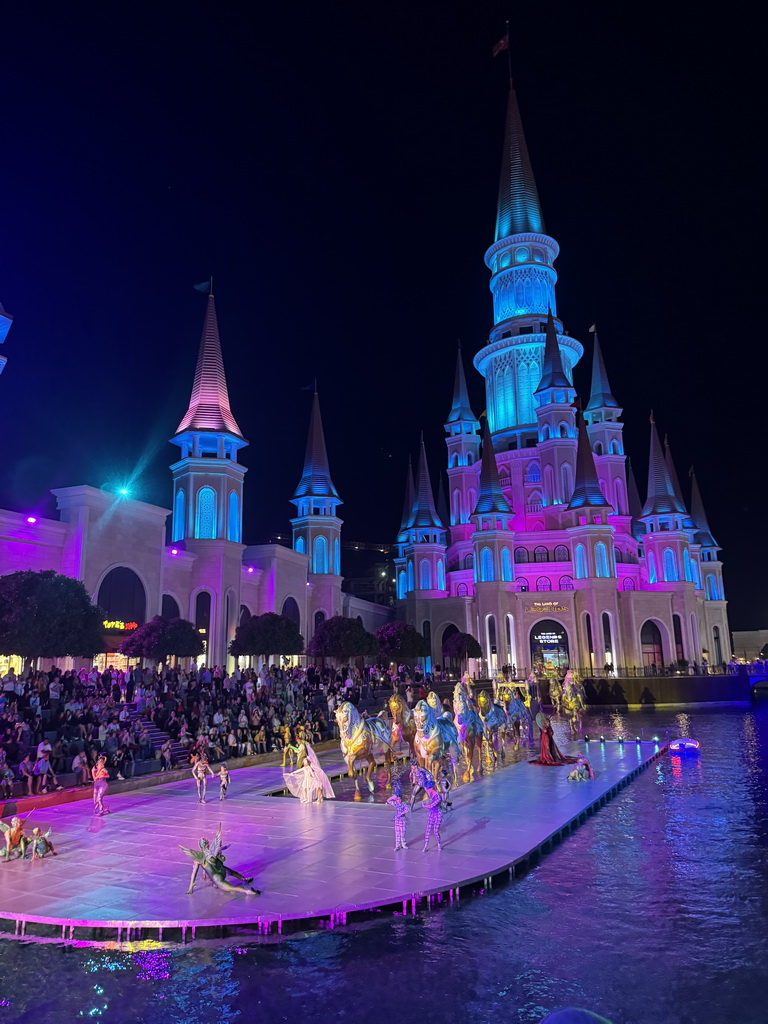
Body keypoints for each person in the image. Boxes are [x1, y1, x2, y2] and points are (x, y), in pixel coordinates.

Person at [180, 823, 260, 896]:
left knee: (233, 888)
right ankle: (244, 879)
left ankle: (248, 891)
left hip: (217, 878)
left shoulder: (199, 859)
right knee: (232, 872)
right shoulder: (211, 852)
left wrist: (191, 886)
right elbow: (222, 859)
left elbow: (195, 873)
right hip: (222, 870)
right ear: (207, 845)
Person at [386, 779, 410, 850]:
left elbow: (407, 810)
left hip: (402, 820)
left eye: (399, 799)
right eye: (397, 799)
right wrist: (394, 796)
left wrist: (401, 813)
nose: (398, 801)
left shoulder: (403, 804)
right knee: (397, 833)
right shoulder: (395, 804)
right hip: (397, 820)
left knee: (402, 832)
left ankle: (403, 844)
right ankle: (397, 845)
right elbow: (388, 800)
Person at [421, 776, 443, 852]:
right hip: (432, 814)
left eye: (428, 788)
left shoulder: (437, 796)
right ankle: (425, 846)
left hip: (438, 814)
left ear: (432, 788)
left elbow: (432, 805)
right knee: (428, 830)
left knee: (435, 831)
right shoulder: (430, 793)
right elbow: (424, 787)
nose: (427, 790)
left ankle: (439, 844)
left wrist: (425, 806)